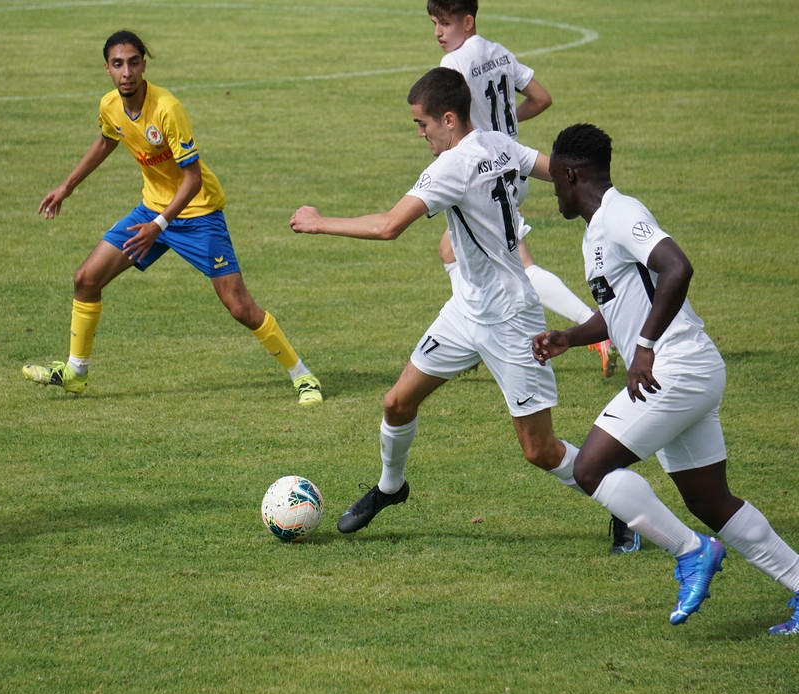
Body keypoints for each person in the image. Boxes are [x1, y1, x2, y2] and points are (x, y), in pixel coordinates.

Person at [290, 67, 587, 537]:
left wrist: (317, 221)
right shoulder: (497, 143)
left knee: (540, 450)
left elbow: (388, 226)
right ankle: (391, 488)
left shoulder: (451, 167)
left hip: (511, 320)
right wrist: (595, 192)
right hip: (466, 310)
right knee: (396, 403)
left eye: (422, 124)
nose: (421, 134)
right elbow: (558, 172)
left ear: (448, 119)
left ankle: (620, 497)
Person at [533, 123, 799, 634]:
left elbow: (676, 267)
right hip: (684, 371)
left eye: (554, 183)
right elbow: (622, 309)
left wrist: (646, 348)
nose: (554, 196)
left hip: (676, 366)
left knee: (590, 469)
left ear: (570, 175)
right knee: (710, 500)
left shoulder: (621, 213)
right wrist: (571, 336)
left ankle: (692, 552)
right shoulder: (594, 232)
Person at [23, 30, 322, 406]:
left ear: (144, 65)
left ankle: (303, 376)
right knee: (86, 279)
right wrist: (67, 186)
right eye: (118, 64)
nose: (126, 72)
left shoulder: (167, 108)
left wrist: (158, 226)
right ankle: (75, 374)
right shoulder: (110, 106)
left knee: (240, 307)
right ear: (107, 69)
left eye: (133, 62)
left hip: (197, 214)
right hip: (151, 211)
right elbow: (106, 140)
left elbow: (193, 179)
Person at [429, 0, 619, 381]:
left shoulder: (453, 66)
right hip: (512, 165)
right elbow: (542, 99)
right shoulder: (498, 53)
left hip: (484, 173)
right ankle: (473, 330)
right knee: (452, 249)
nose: (438, 32)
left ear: (467, 21)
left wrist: (485, 130)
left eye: (445, 23)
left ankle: (599, 329)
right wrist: (505, 124)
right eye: (434, 23)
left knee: (518, 267)